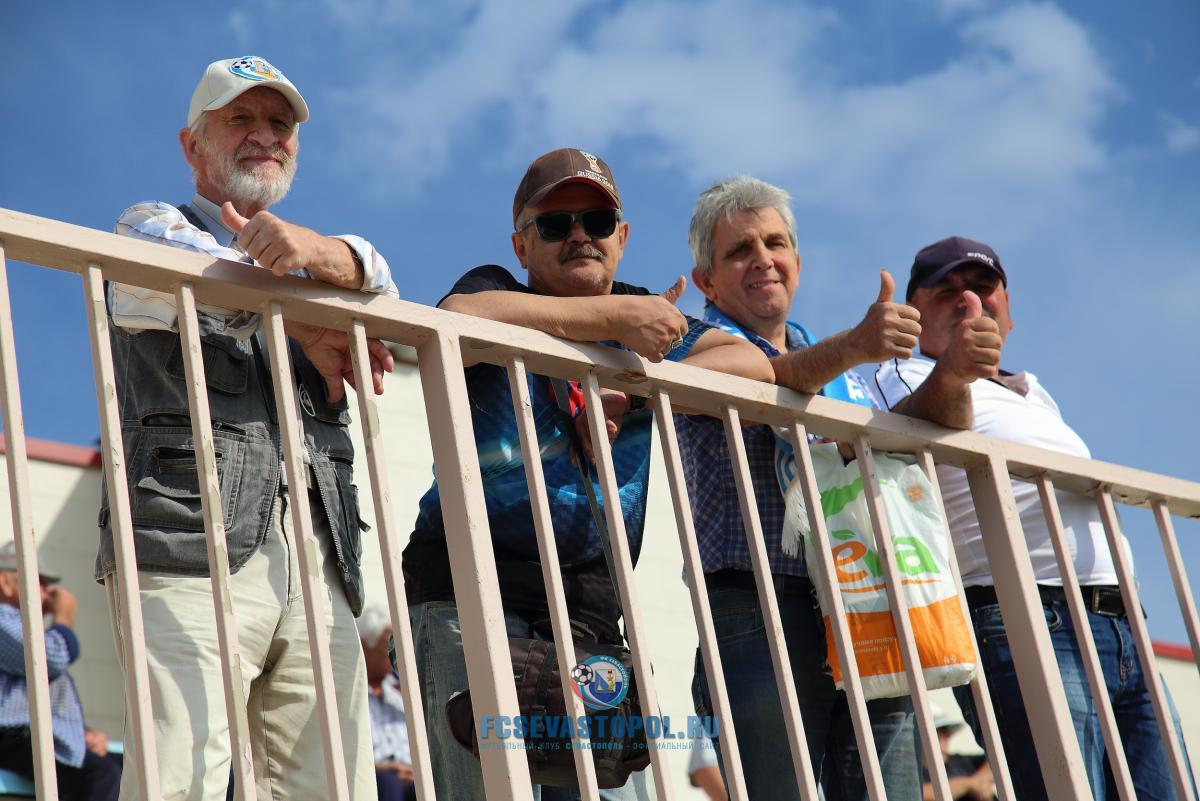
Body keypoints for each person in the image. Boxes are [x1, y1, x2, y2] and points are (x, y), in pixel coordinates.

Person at [401, 148, 772, 799]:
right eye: (555, 224)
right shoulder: (503, 289)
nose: (579, 235)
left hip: (593, 614)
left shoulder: (644, 317)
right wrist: (616, 324)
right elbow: (458, 317)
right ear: (521, 245)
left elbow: (753, 365)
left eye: (597, 222)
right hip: (474, 595)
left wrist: (640, 388)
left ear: (621, 237)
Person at [101, 55, 398, 801]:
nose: (265, 135)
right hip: (188, 541)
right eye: (241, 118)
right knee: (180, 776)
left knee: (336, 786)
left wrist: (320, 254)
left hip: (321, 559)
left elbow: (384, 285)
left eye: (280, 123)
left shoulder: (311, 259)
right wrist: (303, 311)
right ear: (192, 145)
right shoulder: (147, 224)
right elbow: (194, 277)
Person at [874, 235, 1193, 801]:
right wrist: (953, 372)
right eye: (947, 290)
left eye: (983, 288)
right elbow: (916, 423)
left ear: (1008, 311)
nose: (969, 300)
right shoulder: (903, 372)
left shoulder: (1033, 391)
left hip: (1122, 626)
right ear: (912, 313)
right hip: (1026, 616)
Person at [679, 176, 921, 801]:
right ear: (706, 281)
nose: (763, 259)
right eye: (740, 250)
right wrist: (856, 345)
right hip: (758, 605)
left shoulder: (837, 366)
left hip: (862, 597)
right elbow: (764, 383)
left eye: (775, 243)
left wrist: (956, 376)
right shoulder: (689, 343)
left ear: (798, 262)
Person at [0, 544, 121, 800]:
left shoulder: (21, 629)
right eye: (39, 582)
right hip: (11, 736)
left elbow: (35, 694)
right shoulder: (2, 619)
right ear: (4, 583)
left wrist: (81, 732)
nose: (47, 591)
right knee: (100, 776)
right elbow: (50, 659)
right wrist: (63, 618)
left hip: (29, 735)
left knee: (125, 767)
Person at [358, 607, 416, 801]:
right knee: (387, 783)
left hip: (413, 775)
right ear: (365, 648)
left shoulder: (402, 691)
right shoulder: (351, 696)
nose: (394, 654)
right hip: (376, 777)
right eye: (388, 646)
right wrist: (382, 769)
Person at [920, 704, 992, 801]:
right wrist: (970, 784)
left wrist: (980, 779)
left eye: (946, 730)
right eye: (940, 730)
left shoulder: (960, 760)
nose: (947, 735)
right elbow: (921, 794)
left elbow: (997, 761)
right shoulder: (915, 772)